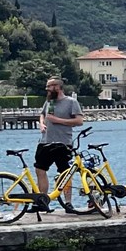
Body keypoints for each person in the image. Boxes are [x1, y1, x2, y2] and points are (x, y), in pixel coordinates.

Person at [34, 77, 84, 213]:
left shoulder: (71, 102)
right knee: (40, 170)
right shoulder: (49, 102)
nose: (47, 90)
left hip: (63, 143)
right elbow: (43, 114)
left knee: (65, 172)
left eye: (49, 87)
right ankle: (43, 200)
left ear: (57, 87)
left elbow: (79, 121)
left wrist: (57, 120)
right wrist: (42, 123)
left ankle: (68, 203)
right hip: (45, 141)